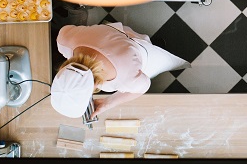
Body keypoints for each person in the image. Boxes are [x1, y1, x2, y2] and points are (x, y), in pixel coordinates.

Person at [50, 22, 189, 118]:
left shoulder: (125, 76)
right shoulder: (65, 39)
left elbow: (144, 85)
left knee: (168, 61)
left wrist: (108, 103)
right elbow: (70, 30)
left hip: (144, 56)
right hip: (117, 34)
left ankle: (160, 46)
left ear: (95, 86)